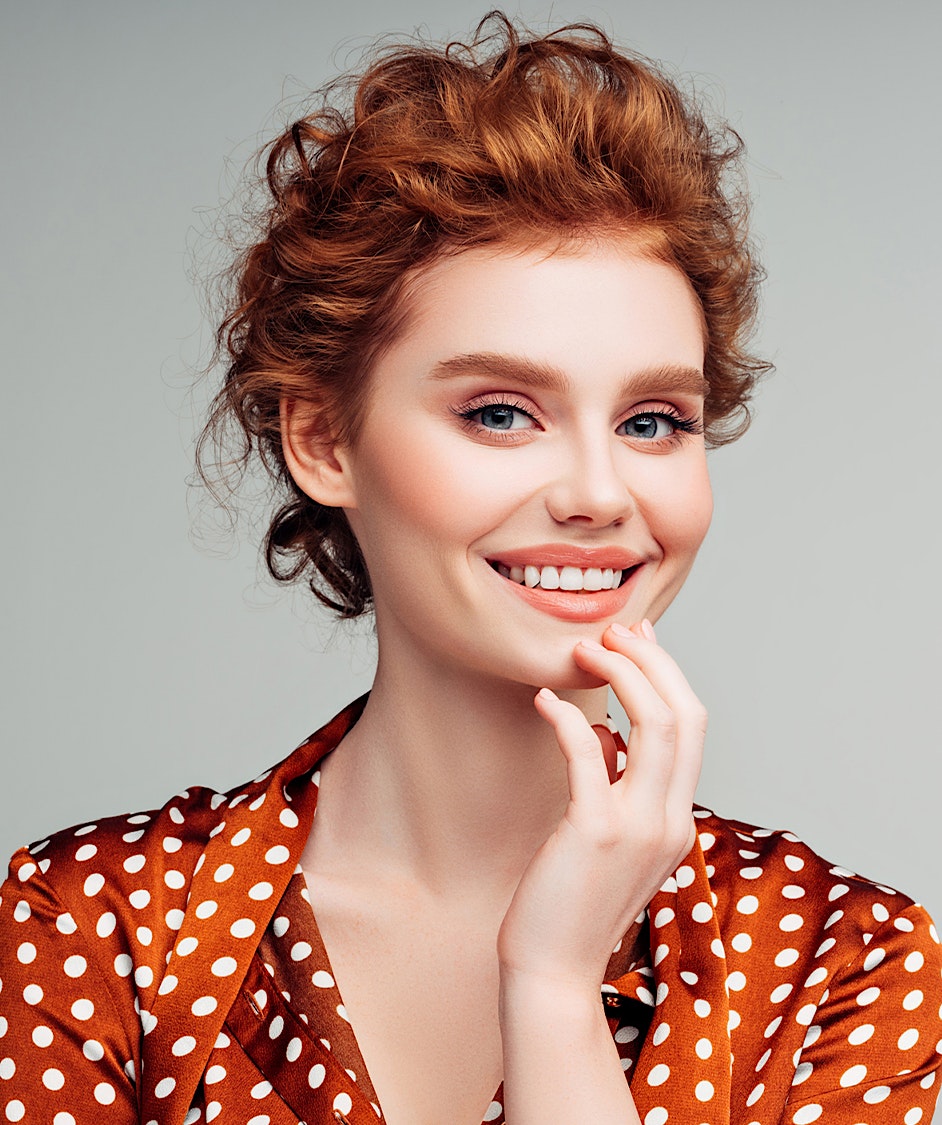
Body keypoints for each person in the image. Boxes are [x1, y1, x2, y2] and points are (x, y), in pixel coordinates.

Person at [1, 13, 939, 1125]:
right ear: (325, 441)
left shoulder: (843, 969)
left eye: (652, 420)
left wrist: (549, 992)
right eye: (500, 412)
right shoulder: (91, 932)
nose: (599, 492)